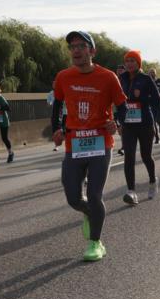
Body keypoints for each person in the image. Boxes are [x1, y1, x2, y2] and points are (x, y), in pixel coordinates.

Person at [52, 31, 126, 261]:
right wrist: (56, 127)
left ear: (92, 51)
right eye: (72, 46)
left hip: (100, 142)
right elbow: (57, 104)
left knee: (94, 195)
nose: (76, 50)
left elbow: (122, 105)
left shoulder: (108, 77)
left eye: (81, 46)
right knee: (73, 197)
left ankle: (95, 242)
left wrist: (118, 123)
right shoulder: (64, 76)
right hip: (74, 143)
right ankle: (88, 213)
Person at [119, 50, 160, 204]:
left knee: (146, 156)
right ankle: (131, 191)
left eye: (133, 61)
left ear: (138, 63)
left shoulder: (146, 79)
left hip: (144, 123)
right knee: (129, 156)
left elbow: (157, 101)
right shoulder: (121, 78)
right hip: (128, 124)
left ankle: (152, 180)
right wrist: (119, 120)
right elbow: (115, 100)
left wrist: (142, 98)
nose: (129, 63)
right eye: (127, 61)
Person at [148, 68, 160, 134]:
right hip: (151, 104)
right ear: (148, 74)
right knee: (152, 120)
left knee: (159, 119)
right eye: (150, 72)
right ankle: (156, 135)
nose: (152, 74)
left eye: (153, 72)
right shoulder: (147, 82)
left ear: (155, 73)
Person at [115, 64, 126, 154]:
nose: (119, 71)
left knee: (124, 127)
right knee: (120, 128)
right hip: (115, 108)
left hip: (126, 107)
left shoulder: (127, 80)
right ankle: (124, 146)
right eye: (118, 70)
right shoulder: (114, 79)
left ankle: (125, 146)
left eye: (121, 70)